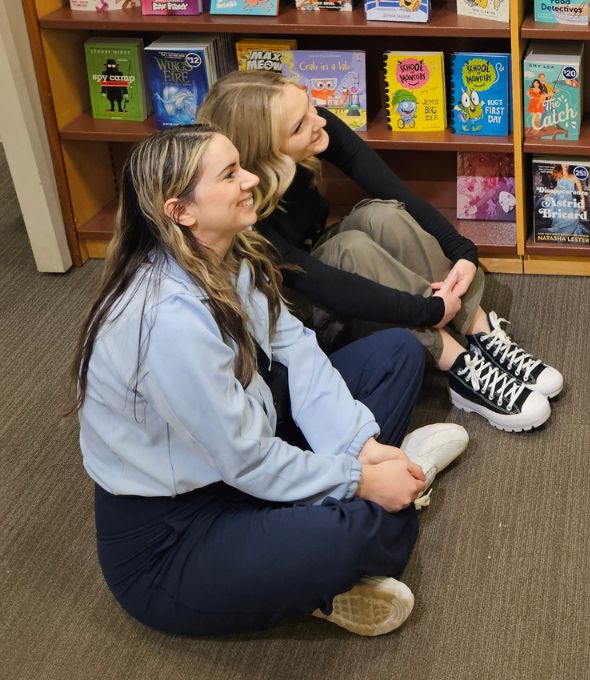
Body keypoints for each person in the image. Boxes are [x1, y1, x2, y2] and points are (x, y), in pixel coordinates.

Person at [71, 125, 471, 638]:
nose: (252, 179)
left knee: (397, 353)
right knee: (357, 534)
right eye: (230, 174)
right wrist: (361, 479)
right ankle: (383, 499)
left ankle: (372, 488)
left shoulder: (222, 251)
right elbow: (246, 461)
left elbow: (295, 347)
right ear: (180, 211)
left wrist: (360, 446)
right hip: (173, 537)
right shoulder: (166, 323)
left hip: (240, 458)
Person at [198, 71, 562, 433]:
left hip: (316, 270)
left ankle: (479, 332)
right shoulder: (241, 210)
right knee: (348, 249)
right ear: (264, 154)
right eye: (297, 126)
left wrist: (462, 251)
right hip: (288, 311)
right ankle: (459, 367)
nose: (317, 120)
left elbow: (390, 187)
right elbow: (318, 282)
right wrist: (428, 310)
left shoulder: (314, 124)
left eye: (309, 104)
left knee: (382, 213)